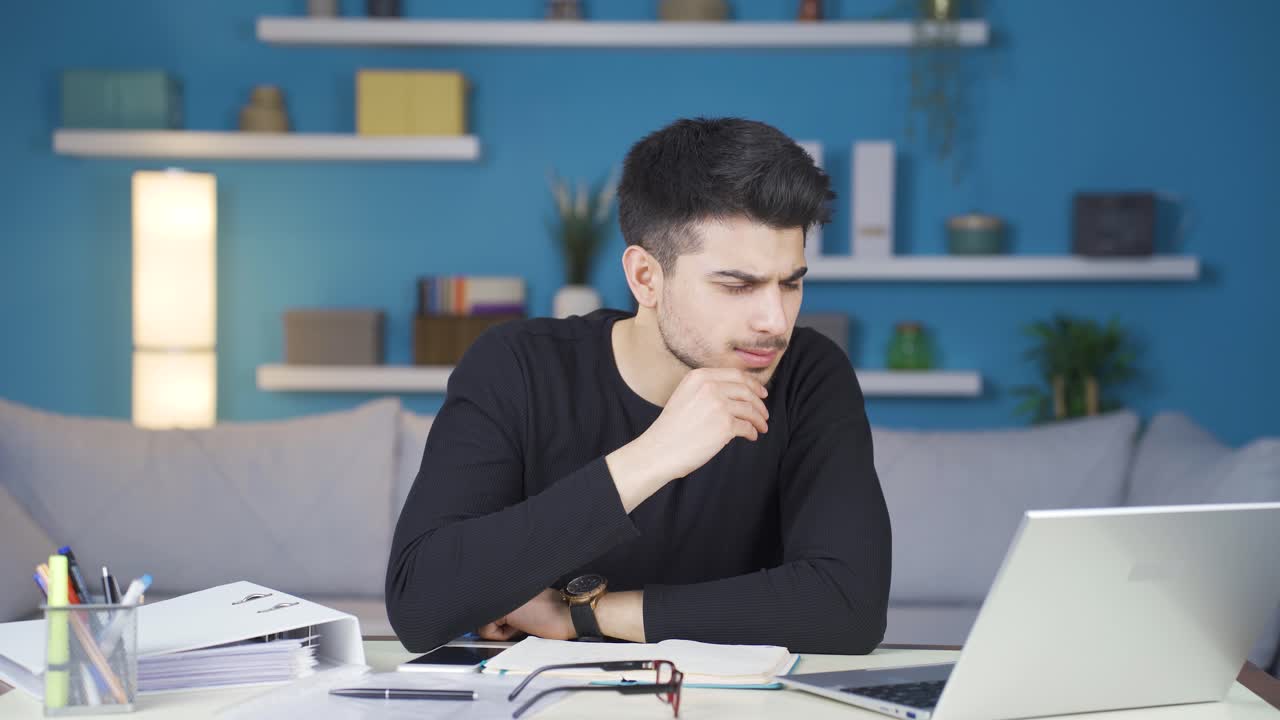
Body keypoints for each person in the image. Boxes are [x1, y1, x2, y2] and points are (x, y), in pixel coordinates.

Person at [386, 117, 891, 655]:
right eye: (737, 286)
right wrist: (652, 456)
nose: (774, 320)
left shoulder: (809, 374)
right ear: (646, 277)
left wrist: (587, 616)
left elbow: (849, 607)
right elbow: (420, 604)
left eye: (791, 284)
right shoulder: (518, 366)